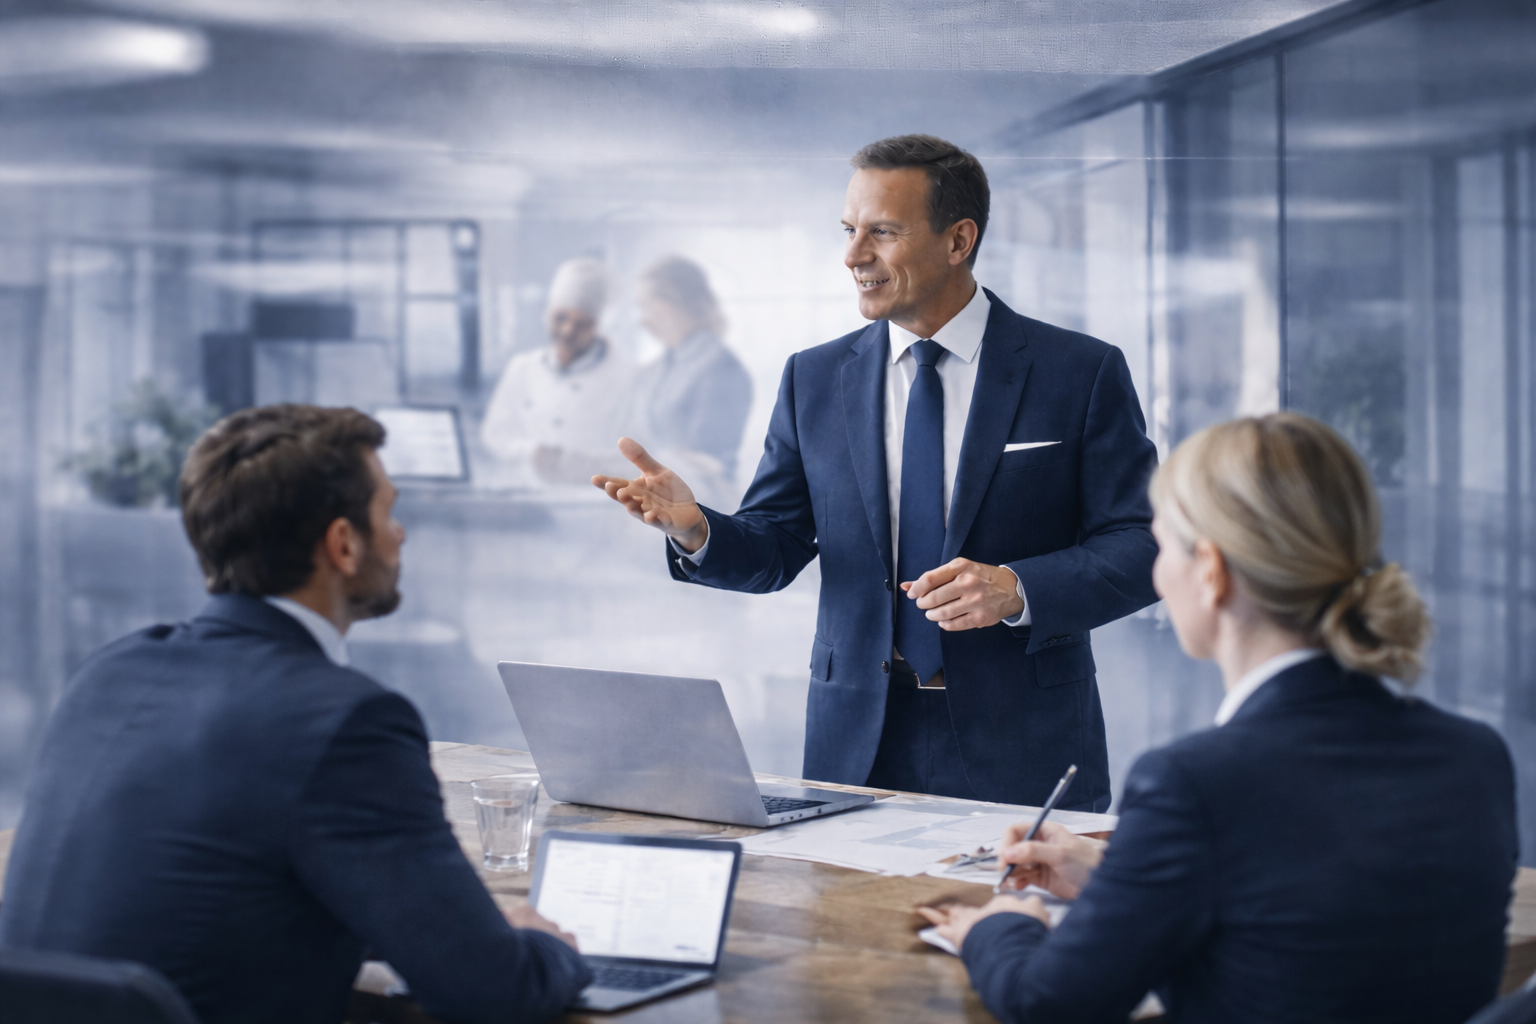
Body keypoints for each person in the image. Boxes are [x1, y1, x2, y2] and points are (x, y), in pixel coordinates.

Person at [594, 135, 1158, 809]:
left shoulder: (1078, 372)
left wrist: (1017, 588)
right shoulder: (815, 378)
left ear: (959, 240)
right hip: (855, 743)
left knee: (1012, 918)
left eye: (882, 232)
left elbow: (1144, 545)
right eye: (849, 230)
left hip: (1023, 740)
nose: (853, 256)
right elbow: (776, 546)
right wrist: (696, 530)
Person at [919, 413, 1519, 1024]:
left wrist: (1000, 928)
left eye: (1162, 544)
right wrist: (1115, 877)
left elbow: (1047, 1002)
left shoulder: (1194, 782)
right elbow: (1308, 914)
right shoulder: (1473, 755)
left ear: (1210, 572)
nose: (1156, 572)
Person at [0, 406, 592, 1024]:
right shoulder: (347, 722)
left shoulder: (108, 674)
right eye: (388, 511)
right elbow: (492, 992)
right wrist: (548, 943)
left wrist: (434, 920)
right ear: (342, 544)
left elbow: (218, 887)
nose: (401, 533)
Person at [481, 257, 633, 485]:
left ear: (598, 327)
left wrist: (582, 464)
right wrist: (531, 451)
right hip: (527, 494)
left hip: (592, 503)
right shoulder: (522, 368)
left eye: (581, 324)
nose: (567, 331)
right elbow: (495, 434)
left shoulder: (628, 377)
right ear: (546, 315)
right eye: (560, 318)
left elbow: (638, 456)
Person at [627, 255, 752, 502]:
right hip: (656, 502)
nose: (643, 319)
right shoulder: (655, 369)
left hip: (701, 506)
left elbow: (705, 461)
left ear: (678, 303)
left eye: (649, 306)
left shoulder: (720, 368)